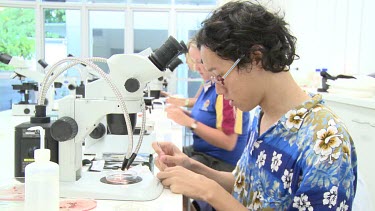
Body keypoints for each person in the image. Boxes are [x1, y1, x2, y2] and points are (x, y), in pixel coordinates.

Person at [152, 1, 358, 210]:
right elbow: (244, 187)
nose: (219, 91)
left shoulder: (325, 142)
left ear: (255, 58)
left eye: (220, 76)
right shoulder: (262, 115)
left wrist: (209, 191)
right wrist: (191, 166)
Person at [165, 38, 250, 172]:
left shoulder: (224, 91)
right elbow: (205, 116)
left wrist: (190, 122)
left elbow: (229, 142)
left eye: (201, 62)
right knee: (164, 154)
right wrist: (182, 115)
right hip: (201, 152)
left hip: (219, 162)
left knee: (170, 172)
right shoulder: (209, 86)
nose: (196, 67)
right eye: (194, 62)